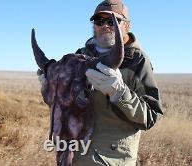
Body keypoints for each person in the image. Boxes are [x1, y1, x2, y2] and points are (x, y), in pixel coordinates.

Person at [38, 0, 163, 165]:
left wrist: (120, 93)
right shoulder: (79, 56)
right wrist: (52, 89)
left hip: (111, 160)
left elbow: (151, 117)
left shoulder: (137, 61)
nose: (105, 25)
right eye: (100, 21)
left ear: (127, 25)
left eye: (113, 21)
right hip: (73, 158)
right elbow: (65, 105)